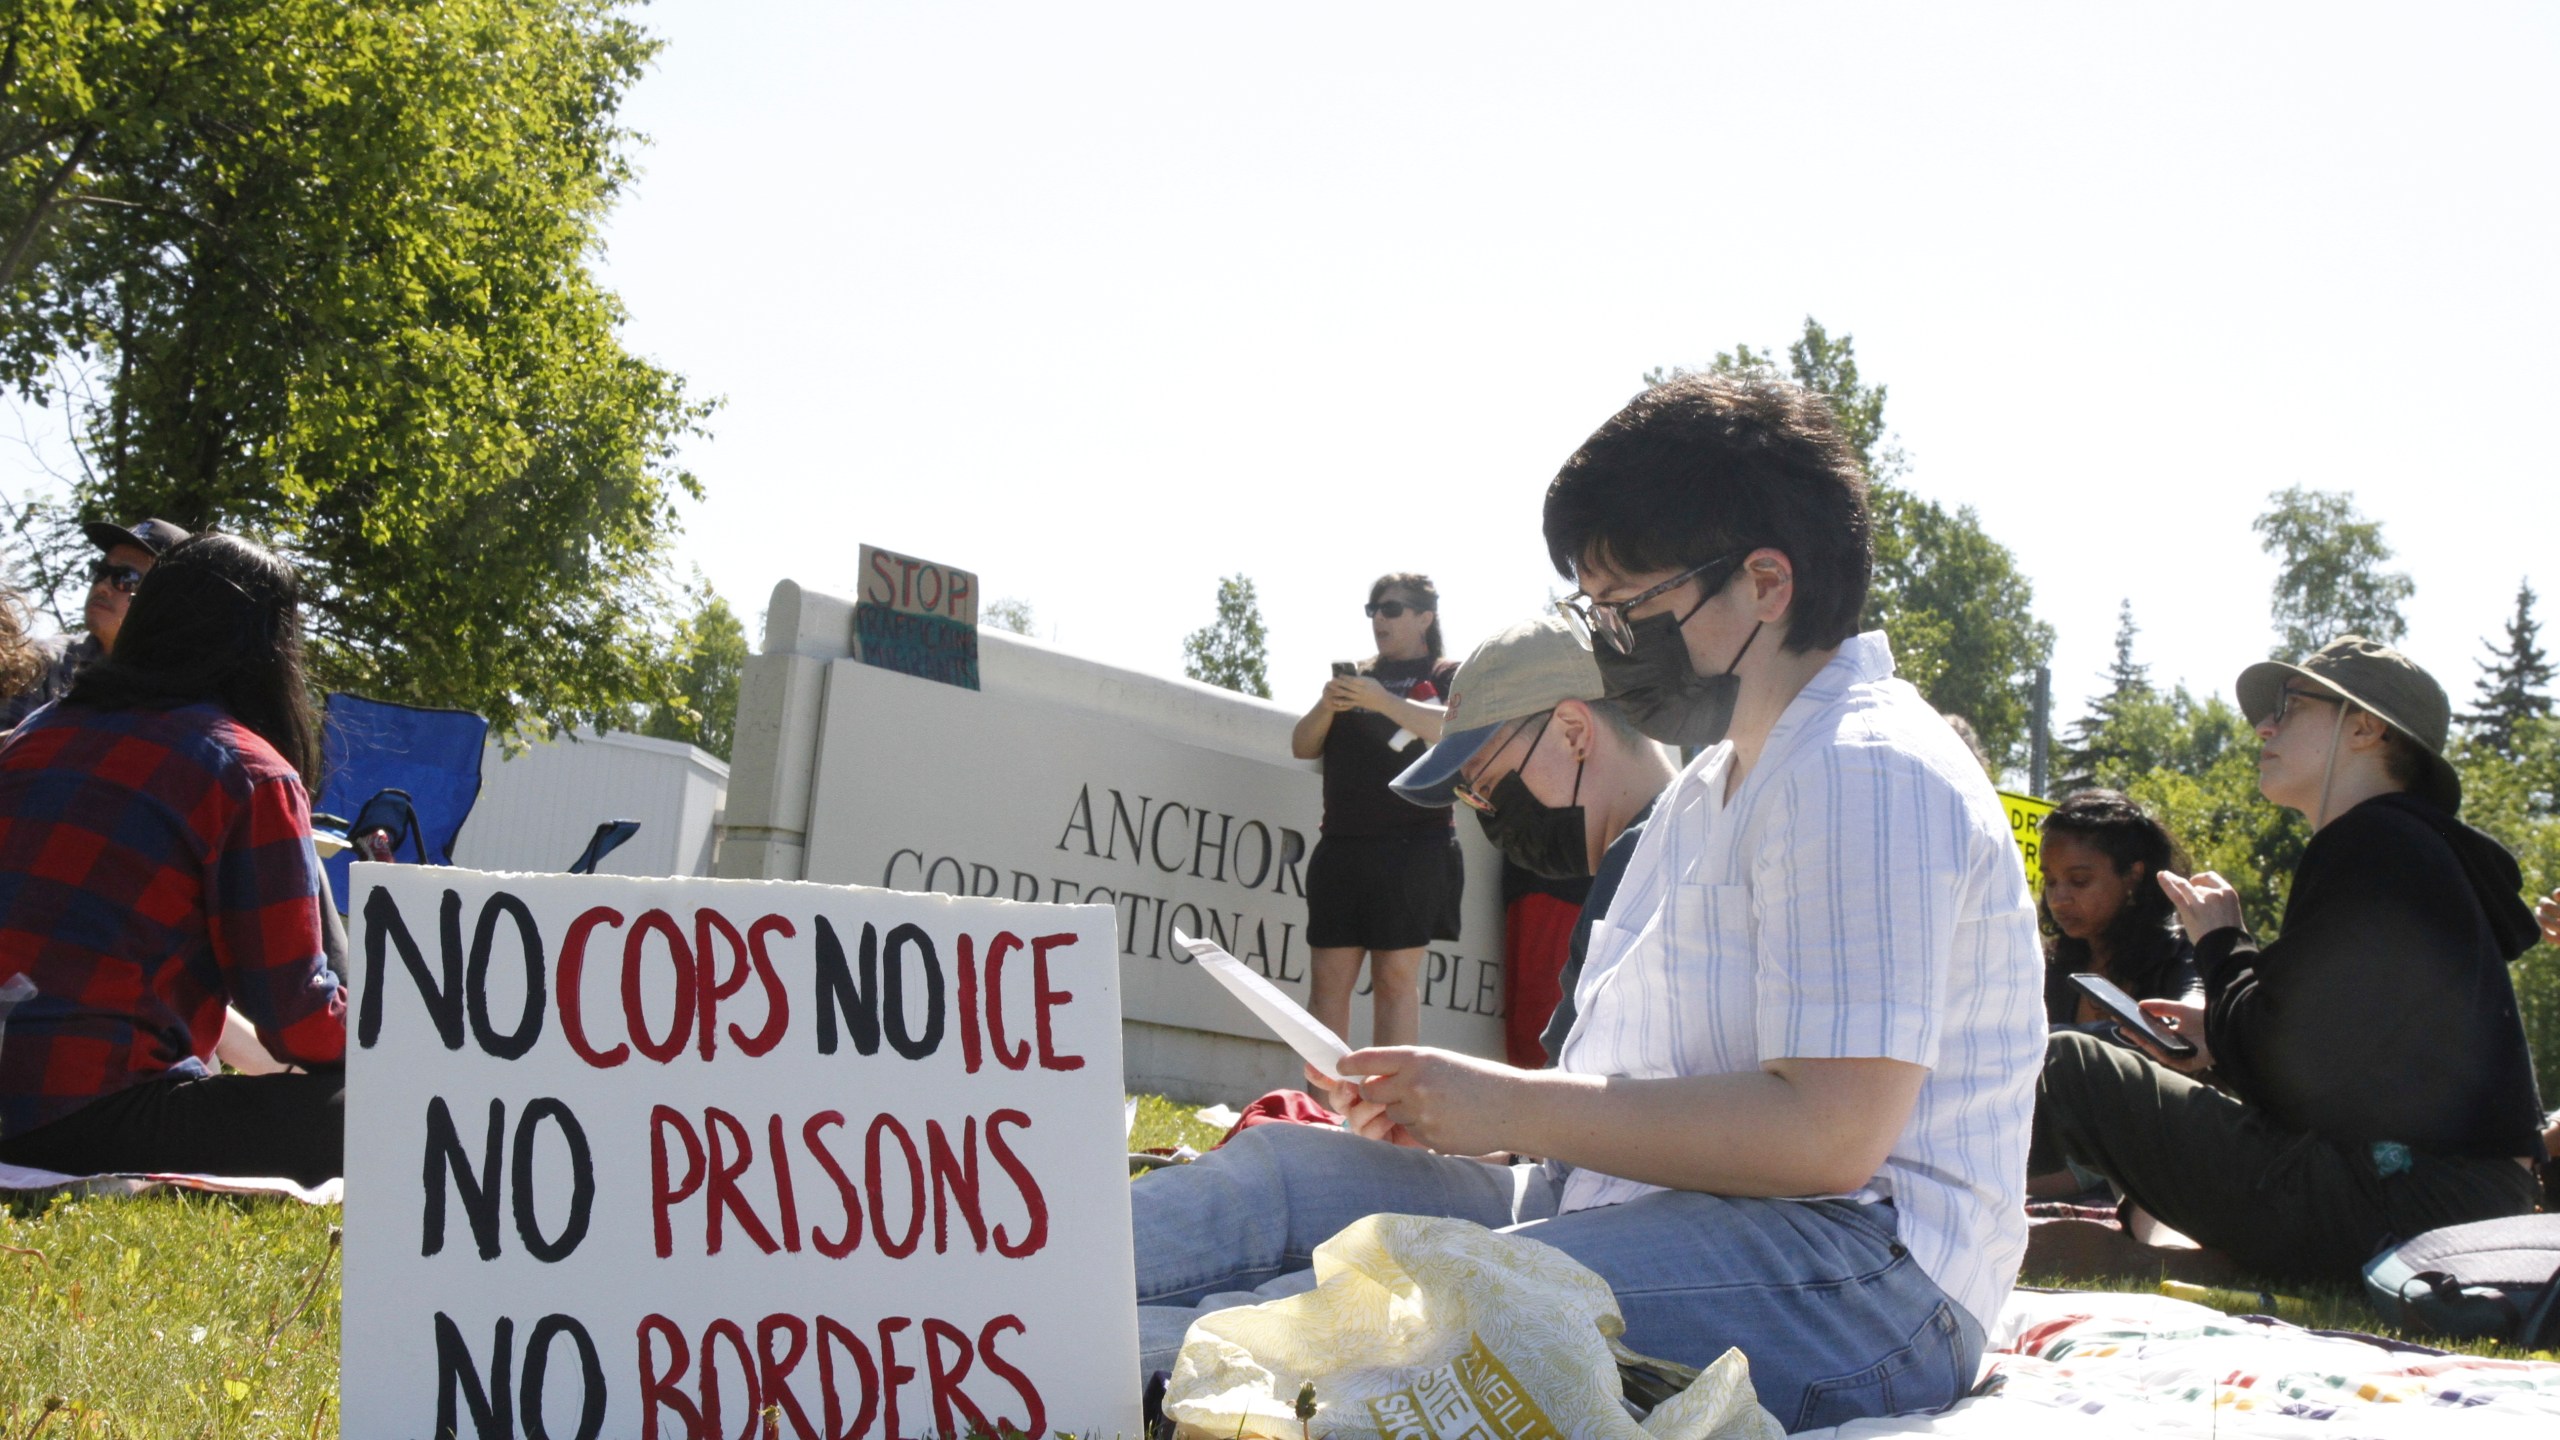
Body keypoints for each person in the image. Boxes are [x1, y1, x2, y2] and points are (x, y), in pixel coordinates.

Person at [1136, 373, 2043, 1432]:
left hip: (1860, 1272)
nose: (1609, 642)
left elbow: (1829, 1135)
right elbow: (1655, 1092)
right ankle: (996, 1292)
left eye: (1628, 609)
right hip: (1643, 1207)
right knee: (1281, 1183)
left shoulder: (1864, 767)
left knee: (1412, 1313)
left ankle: (1103, 1369)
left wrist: (1503, 1106)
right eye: (1594, 610)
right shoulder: (1715, 790)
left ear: (1764, 582)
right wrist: (1457, 1116)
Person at [2034, 637, 2546, 1282]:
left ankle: (1897, 1208)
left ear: (2364, 728)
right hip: (2445, 1204)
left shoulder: (2373, 841)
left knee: (2070, 1063)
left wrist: (2221, 940)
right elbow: (2329, 1065)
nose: (2265, 726)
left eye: (2293, 706)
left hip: (2404, 1204)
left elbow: (2287, 1067)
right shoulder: (2406, 850)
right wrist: (2214, 1034)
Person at [0, 533, 346, 1186]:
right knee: (369, 1109)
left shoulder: (34, 735)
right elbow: (295, 1017)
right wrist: (387, 1044)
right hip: (86, 1112)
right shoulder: (248, 772)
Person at [1388, 615, 1678, 1069]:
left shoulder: (1647, 863)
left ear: (1573, 733)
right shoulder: (1660, 852)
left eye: (1486, 781)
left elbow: (1581, 1119)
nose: (1487, 808)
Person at [1287, 573, 1457, 1048]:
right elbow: (1302, 746)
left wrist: (1382, 701)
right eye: (1374, 610)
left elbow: (1455, 731)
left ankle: (1387, 1118)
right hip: (1342, 844)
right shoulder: (1358, 675)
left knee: (1396, 984)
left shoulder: (1445, 674)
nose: (1380, 618)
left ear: (1425, 617)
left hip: (1415, 846)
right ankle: (1319, 1112)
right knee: (1327, 987)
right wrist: (1328, 704)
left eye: (1392, 609)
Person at [0, 516, 193, 732]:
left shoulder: (189, 687)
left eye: (125, 578)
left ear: (166, 599)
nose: (102, 586)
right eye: (101, 571)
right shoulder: (40, 664)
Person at [2037, 790, 2200, 1027]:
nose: (2058, 899)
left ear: (2133, 875)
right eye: (2050, 881)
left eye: (2079, 880)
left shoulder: (2181, 958)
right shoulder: (2052, 966)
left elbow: (2190, 1025)